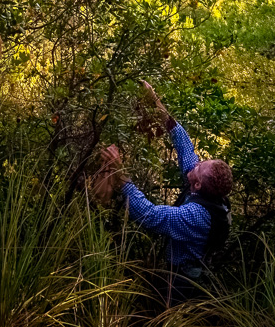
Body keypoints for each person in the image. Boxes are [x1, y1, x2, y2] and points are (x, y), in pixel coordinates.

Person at [100, 80, 233, 307]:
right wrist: (155, 102)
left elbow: (150, 216)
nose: (196, 163)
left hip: (183, 283)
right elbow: (183, 145)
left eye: (200, 167)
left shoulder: (197, 215)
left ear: (198, 185)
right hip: (182, 274)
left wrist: (120, 172)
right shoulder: (205, 190)